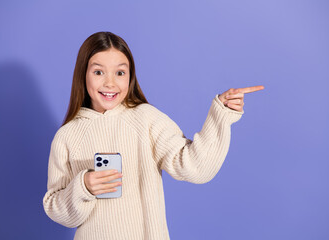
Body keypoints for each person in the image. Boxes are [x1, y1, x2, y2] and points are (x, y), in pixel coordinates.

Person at [42, 31, 264, 240]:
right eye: (98, 72)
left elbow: (197, 168)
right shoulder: (67, 136)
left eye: (120, 72)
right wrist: (84, 187)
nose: (110, 82)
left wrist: (221, 114)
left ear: (130, 77)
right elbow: (59, 212)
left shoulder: (145, 118)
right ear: (83, 74)